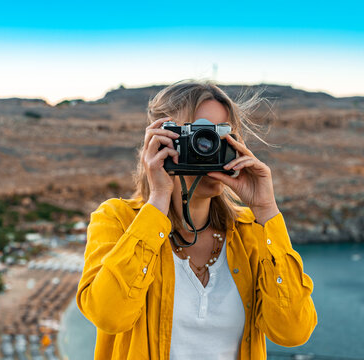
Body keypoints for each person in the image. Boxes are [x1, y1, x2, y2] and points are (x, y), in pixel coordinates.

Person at [76, 81, 317, 360]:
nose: (211, 147)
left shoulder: (251, 232)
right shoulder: (117, 220)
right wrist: (158, 199)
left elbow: (293, 332)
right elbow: (109, 316)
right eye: (201, 135)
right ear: (161, 141)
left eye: (223, 135)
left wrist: (266, 210)